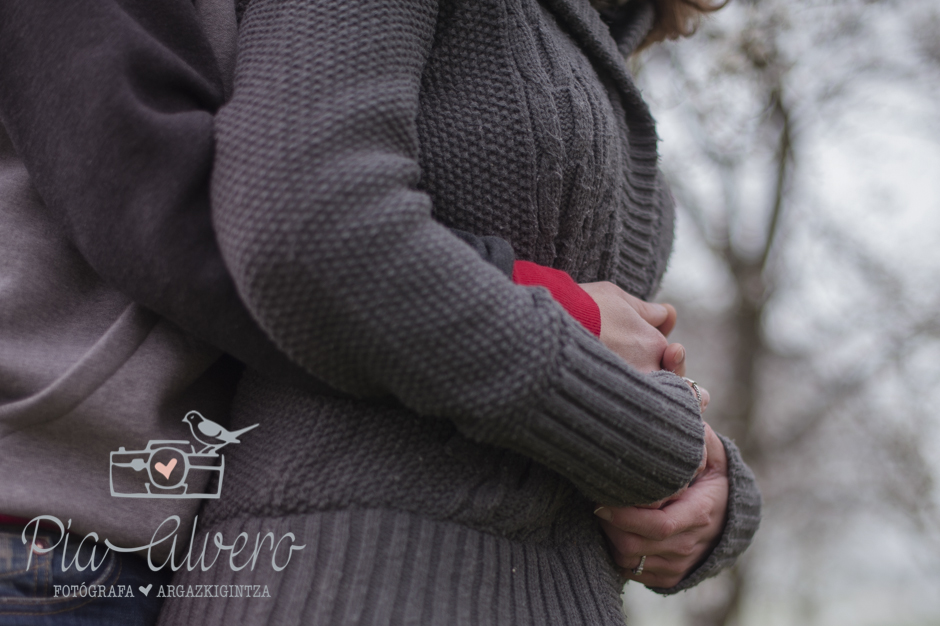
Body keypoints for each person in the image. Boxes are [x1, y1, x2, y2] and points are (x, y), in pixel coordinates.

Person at [151, 0, 762, 623]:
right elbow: (305, 228)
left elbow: (607, 364)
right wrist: (658, 441)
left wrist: (709, 503)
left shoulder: (606, 51)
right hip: (351, 576)